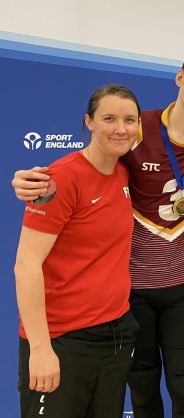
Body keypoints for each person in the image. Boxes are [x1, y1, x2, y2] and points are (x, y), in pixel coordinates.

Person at [12, 47, 184, 418]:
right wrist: (28, 182)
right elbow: (83, 167)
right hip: (130, 291)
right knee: (142, 385)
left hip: (168, 290)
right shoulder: (136, 130)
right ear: (179, 77)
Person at [14, 84, 141, 417]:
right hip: (63, 339)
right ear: (89, 122)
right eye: (109, 118)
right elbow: (26, 265)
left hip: (116, 333)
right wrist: (40, 349)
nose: (120, 128)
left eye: (129, 119)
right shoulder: (59, 179)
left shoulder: (124, 173)